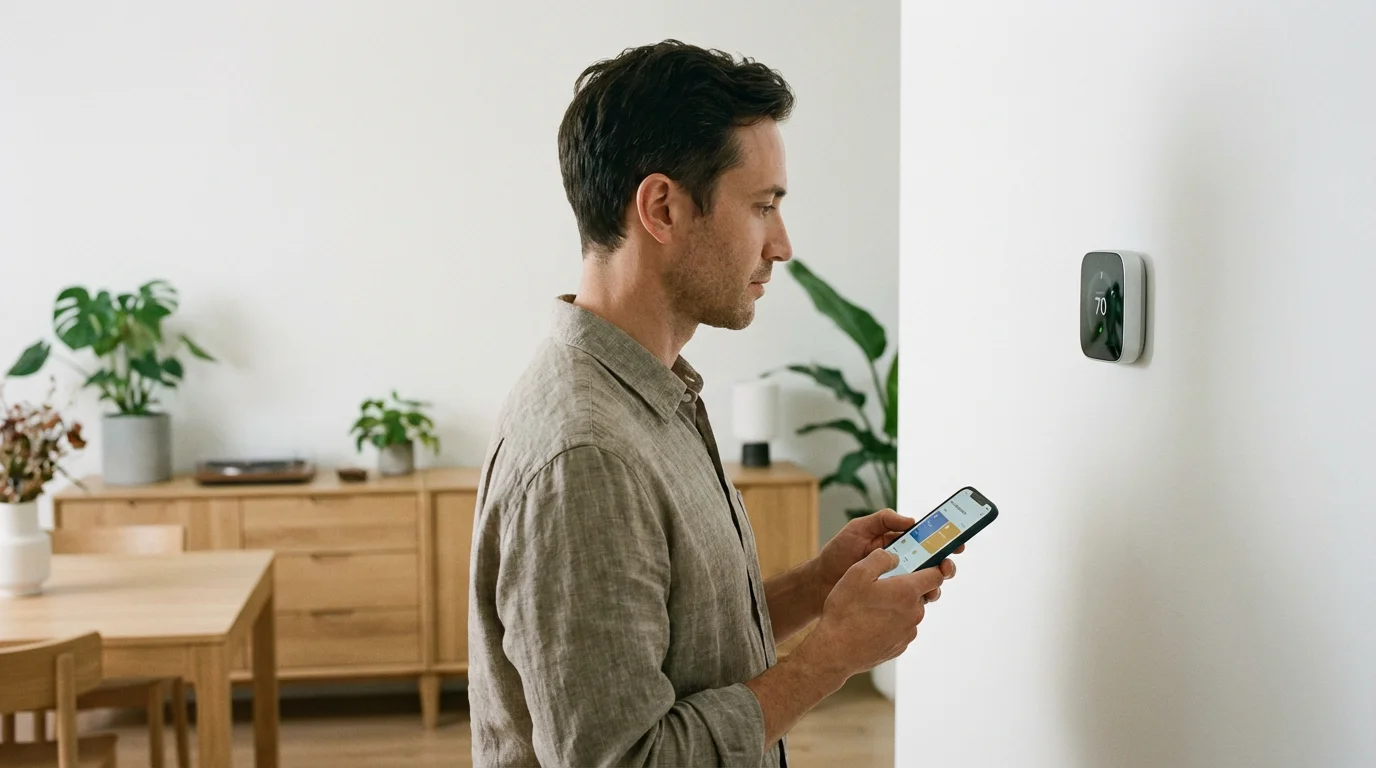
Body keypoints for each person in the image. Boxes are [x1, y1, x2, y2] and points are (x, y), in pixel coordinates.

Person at [467, 39, 960, 767]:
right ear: (662, 207)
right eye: (762, 206)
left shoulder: (648, 393)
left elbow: (677, 643)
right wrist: (832, 657)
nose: (782, 244)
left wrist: (818, 587)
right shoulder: (587, 457)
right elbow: (626, 758)